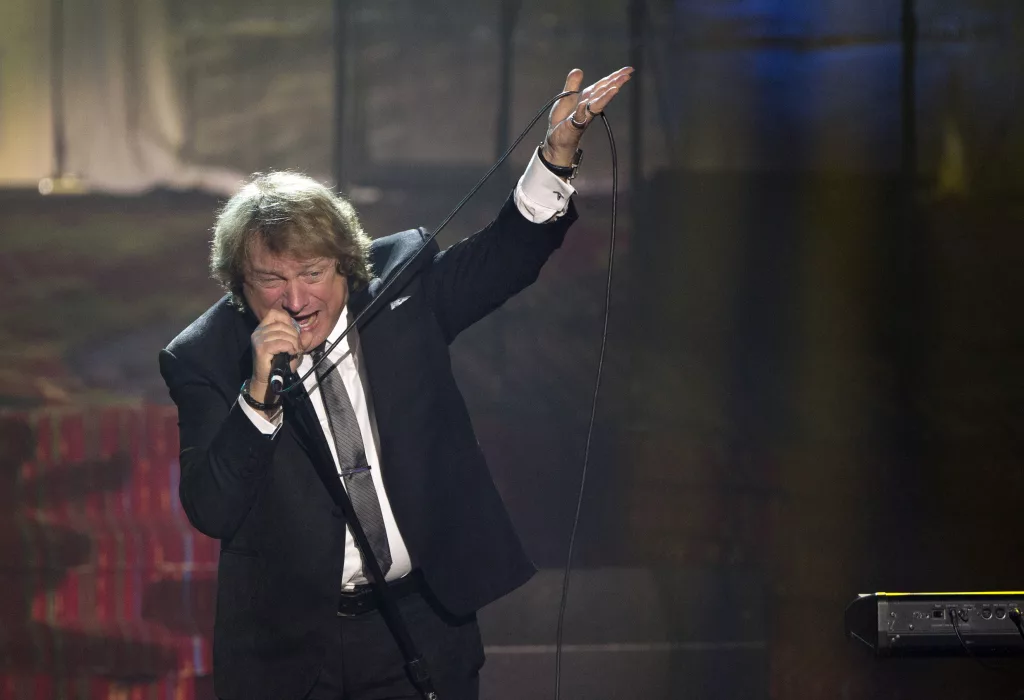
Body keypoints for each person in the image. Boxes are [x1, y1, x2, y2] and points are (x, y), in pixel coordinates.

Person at [159, 66, 633, 700]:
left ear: (347, 265)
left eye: (313, 273)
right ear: (239, 287)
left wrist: (557, 154)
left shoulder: (399, 287)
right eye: (271, 280)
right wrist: (257, 398)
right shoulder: (206, 357)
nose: (296, 299)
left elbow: (507, 255)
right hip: (291, 649)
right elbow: (210, 510)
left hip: (420, 625)